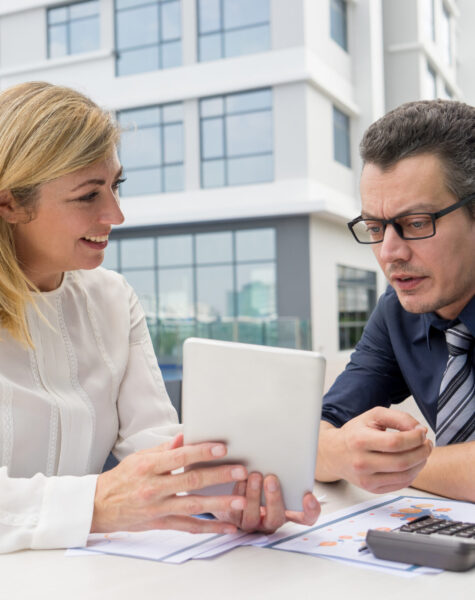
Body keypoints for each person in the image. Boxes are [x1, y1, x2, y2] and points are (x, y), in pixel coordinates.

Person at [0, 81, 320, 554]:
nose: (117, 213)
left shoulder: (112, 299)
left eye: (115, 185)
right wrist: (97, 502)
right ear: (9, 202)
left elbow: (153, 442)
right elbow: (109, 499)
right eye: (89, 195)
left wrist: (224, 494)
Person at [316, 99, 475, 502]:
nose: (389, 252)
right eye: (374, 227)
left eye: (416, 223)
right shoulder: (398, 310)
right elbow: (317, 429)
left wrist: (393, 465)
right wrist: (340, 452)